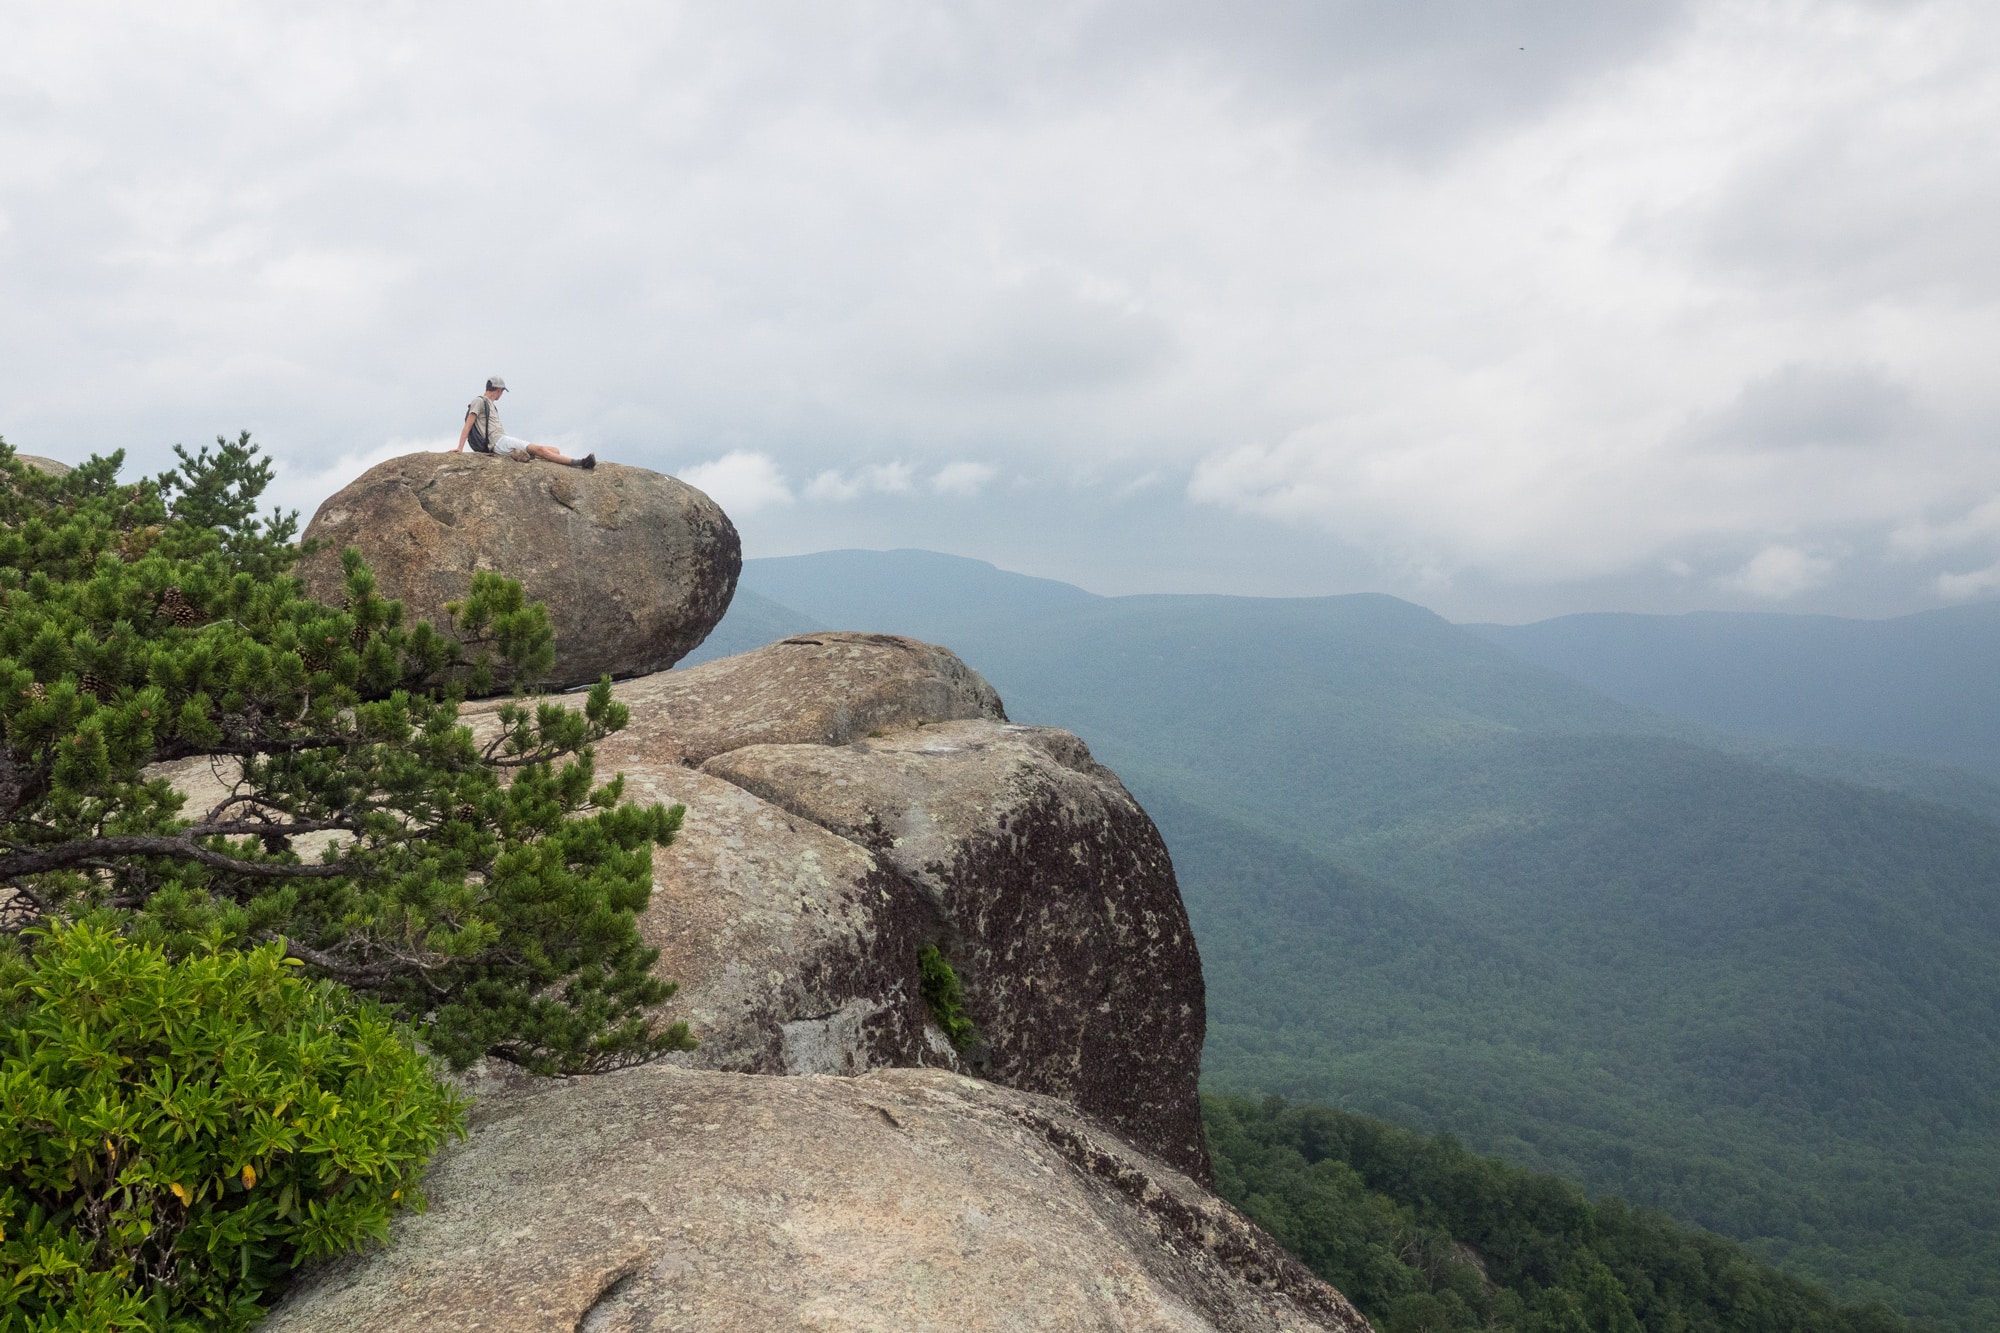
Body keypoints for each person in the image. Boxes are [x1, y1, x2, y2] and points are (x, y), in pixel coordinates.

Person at [454, 377, 595, 468]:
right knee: (540, 449)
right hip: (499, 441)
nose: (501, 395)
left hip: (502, 441)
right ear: (498, 389)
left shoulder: (490, 404)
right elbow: (468, 425)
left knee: (554, 451)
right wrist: (459, 449)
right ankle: (581, 463)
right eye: (502, 391)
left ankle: (523, 456)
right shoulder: (479, 401)